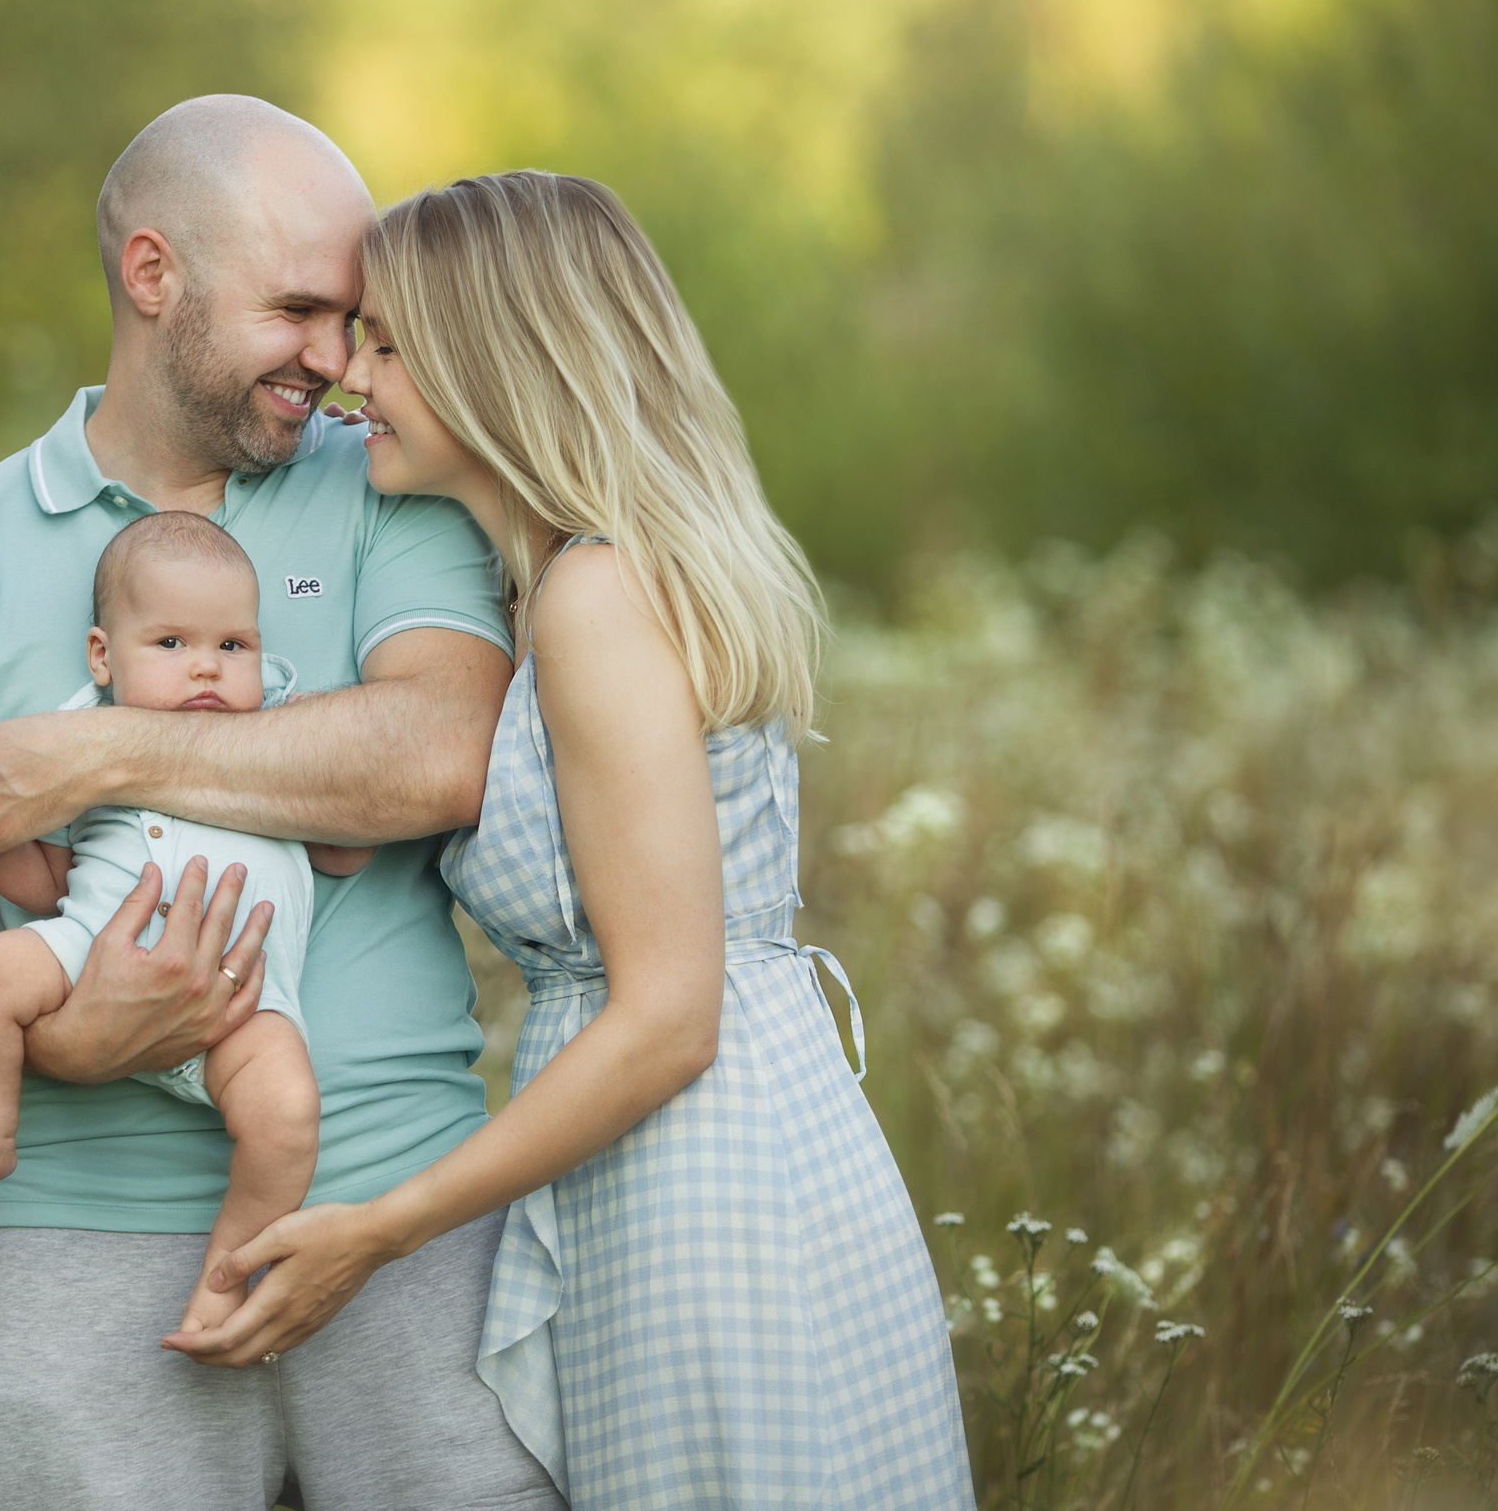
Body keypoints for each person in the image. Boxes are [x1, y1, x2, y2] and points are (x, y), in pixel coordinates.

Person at [169, 171, 978, 1510]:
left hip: (702, 1172)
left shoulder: (597, 595)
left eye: (387, 344)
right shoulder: (562, 580)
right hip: (668, 1153)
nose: (352, 376)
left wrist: (382, 1228)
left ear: (497, 362)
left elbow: (668, 1019)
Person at [0, 98, 562, 1510]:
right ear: (153, 273)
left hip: (406, 1217)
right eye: (296, 310)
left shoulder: (394, 481)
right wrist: (65, 1039)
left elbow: (442, 749)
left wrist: (101, 756)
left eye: (348, 320)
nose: (335, 361)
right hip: (77, 1249)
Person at [0, 511, 373, 1339]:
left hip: (248, 1003)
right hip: (90, 952)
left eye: (233, 645)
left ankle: (225, 1276)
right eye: (171, 643)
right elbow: (51, 882)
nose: (206, 665)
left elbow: (344, 850)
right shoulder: (76, 740)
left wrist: (329, 770)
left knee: (287, 1114)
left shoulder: (278, 734)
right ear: (104, 656)